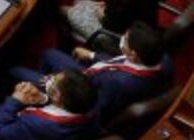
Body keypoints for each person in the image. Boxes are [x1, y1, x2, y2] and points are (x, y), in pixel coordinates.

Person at [9, 22, 170, 124]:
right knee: (49, 54)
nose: (121, 38)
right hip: (90, 76)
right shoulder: (160, 57)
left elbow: (90, 105)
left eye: (125, 39)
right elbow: (119, 61)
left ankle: (32, 97)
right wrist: (93, 56)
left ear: (134, 54)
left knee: (15, 72)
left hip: (75, 92)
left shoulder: (119, 84)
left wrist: (57, 86)